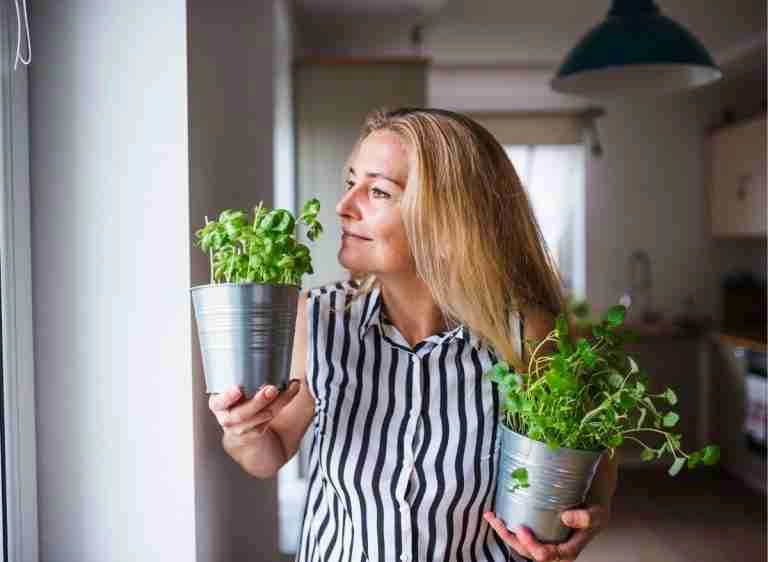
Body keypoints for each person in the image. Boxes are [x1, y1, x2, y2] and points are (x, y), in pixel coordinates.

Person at [208, 107, 618, 562]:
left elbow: (590, 456)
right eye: (351, 183)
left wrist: (591, 515)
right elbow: (269, 452)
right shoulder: (319, 318)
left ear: (450, 219)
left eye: (379, 191)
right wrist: (243, 432)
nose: (345, 206)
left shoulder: (528, 335)